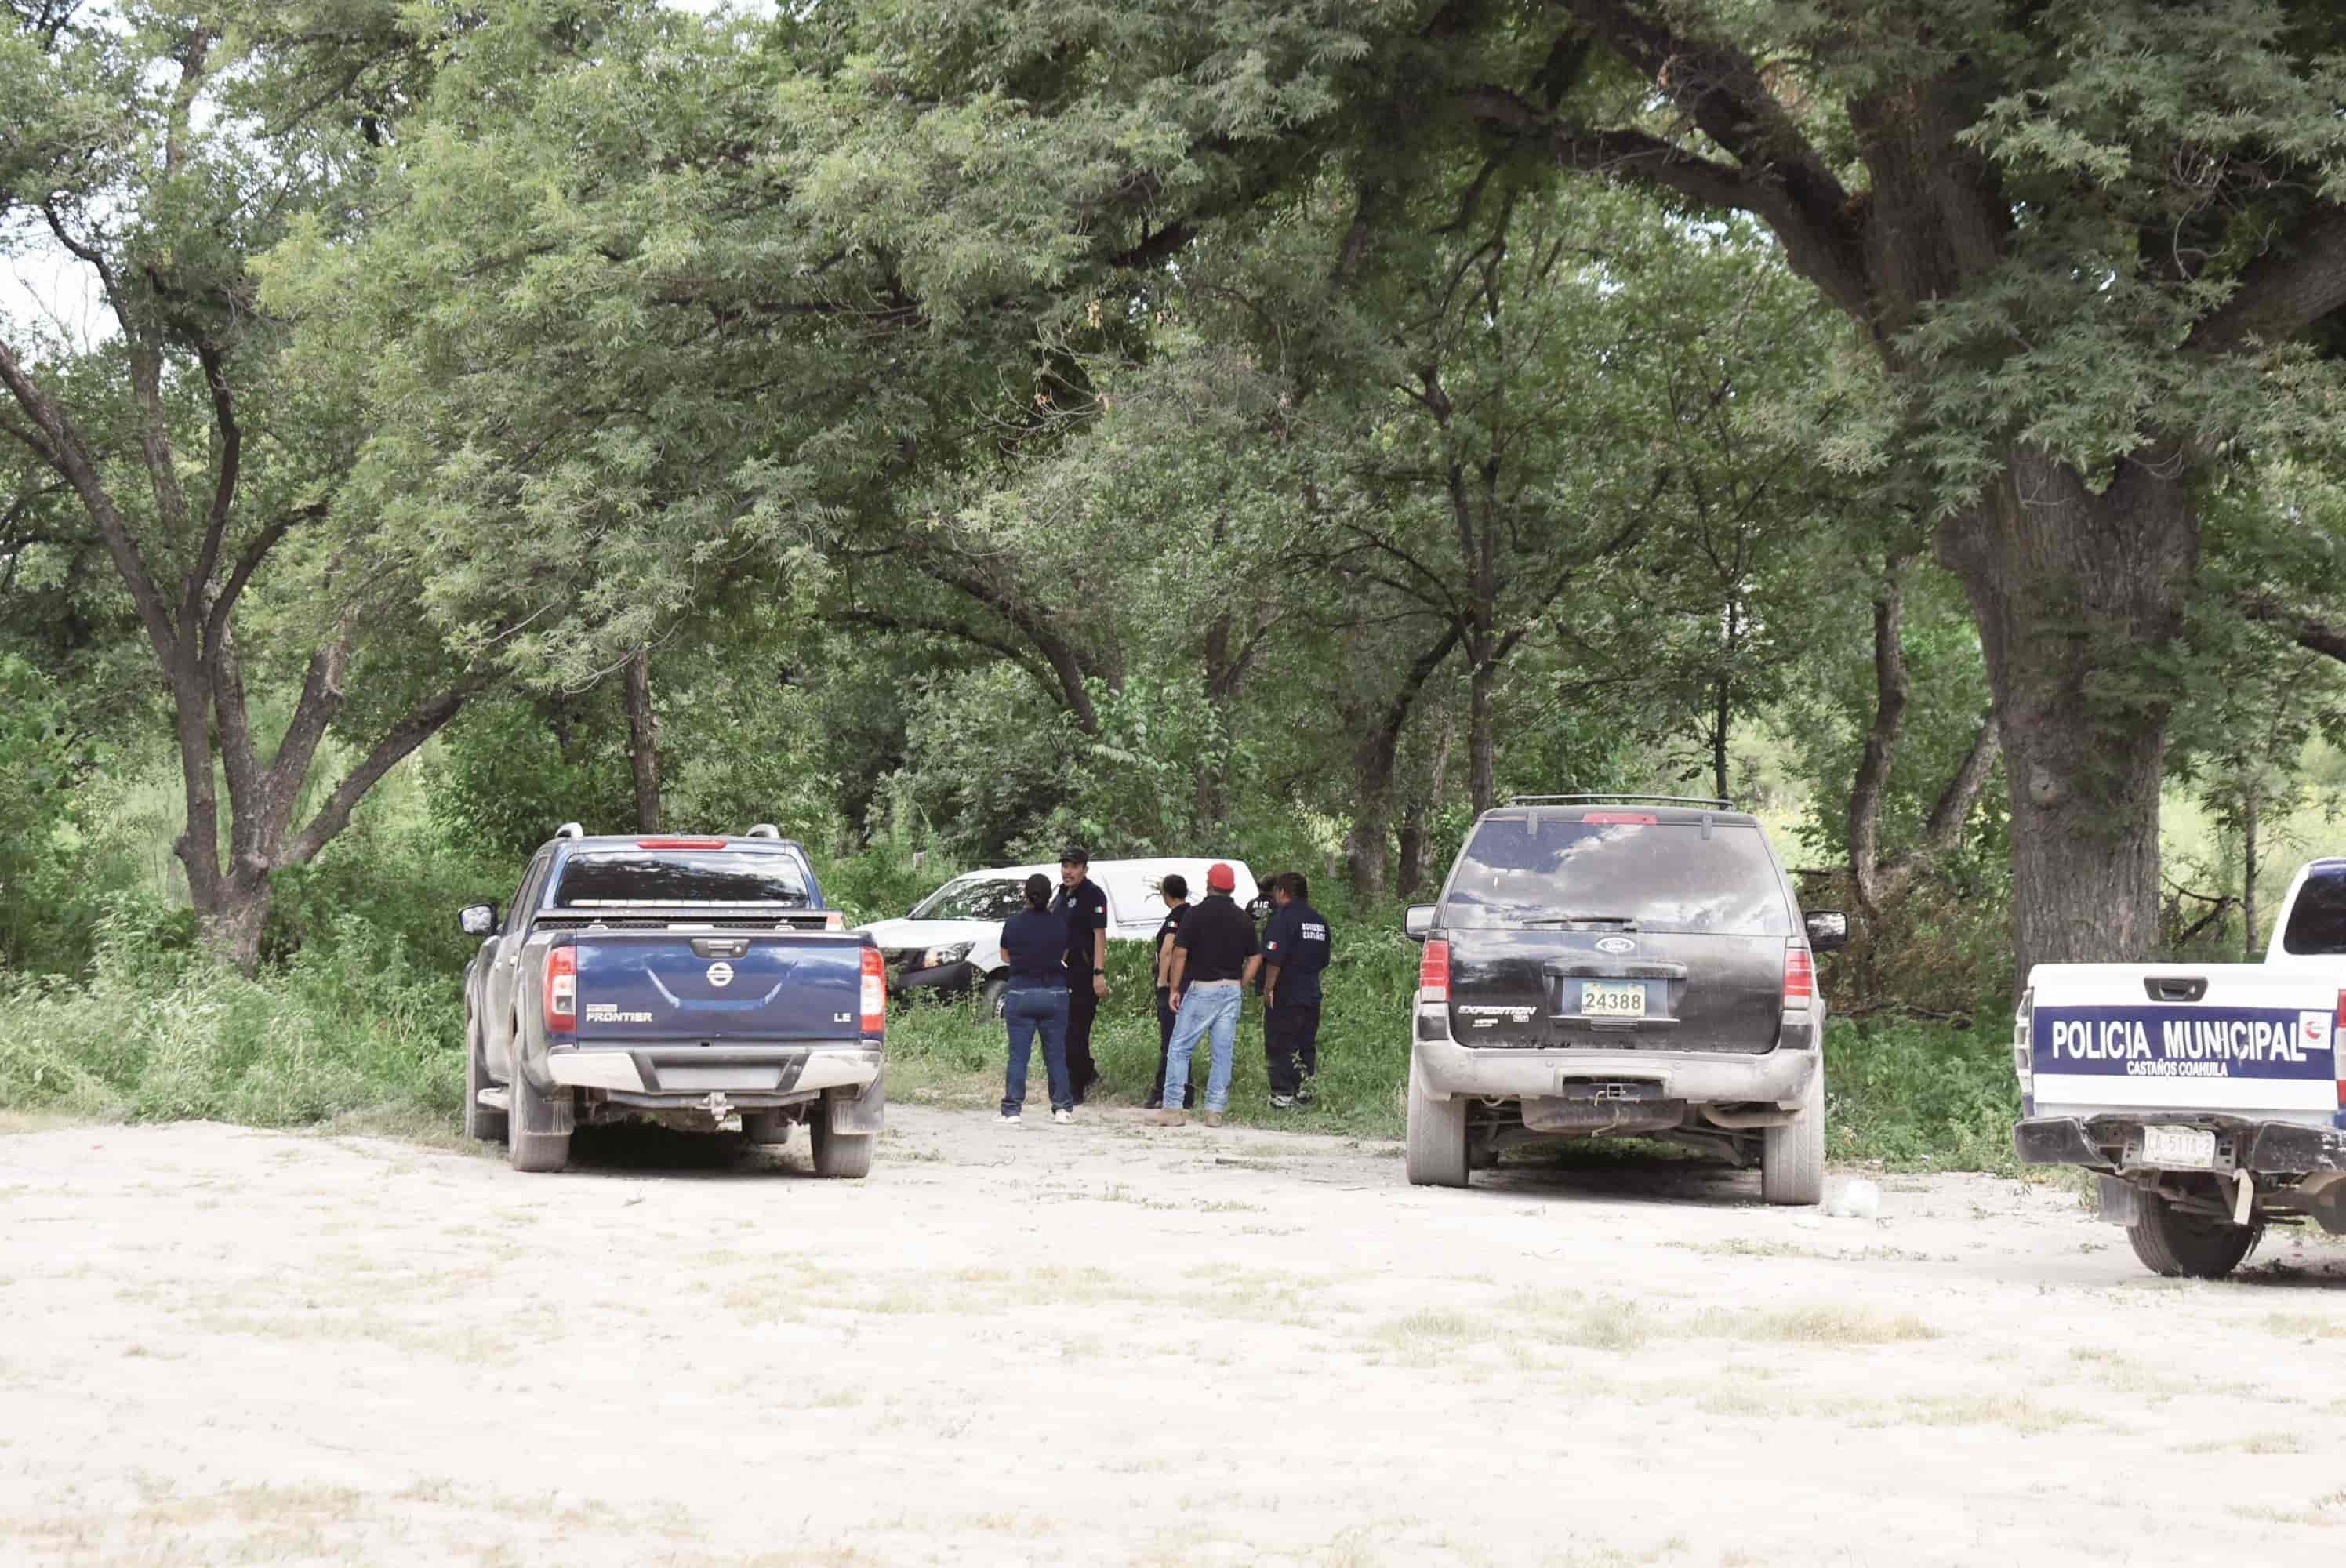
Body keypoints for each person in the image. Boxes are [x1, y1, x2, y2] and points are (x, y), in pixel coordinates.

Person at [1152, 862, 1258, 1128]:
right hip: (1230, 990)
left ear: (1209, 886)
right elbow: (1256, 956)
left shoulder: (1195, 915)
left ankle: (1174, 1109)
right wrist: (1242, 982)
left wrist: (1175, 988)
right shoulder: (1243, 918)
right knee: (1222, 1052)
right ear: (1231, 888)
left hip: (1202, 989)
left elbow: (1179, 953)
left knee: (1179, 1047)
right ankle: (1214, 1111)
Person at [997, 873, 1075, 1125]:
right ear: (1049, 895)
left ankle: (1012, 1111)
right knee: (1057, 1054)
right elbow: (1064, 953)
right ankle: (1062, 1109)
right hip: (1055, 993)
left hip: (1020, 992)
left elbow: (1005, 956)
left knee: (1018, 1055)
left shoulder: (1012, 924)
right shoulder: (1060, 923)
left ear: (1025, 895)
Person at [1260, 871, 1333, 1109]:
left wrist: (1268, 988)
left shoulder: (1282, 918)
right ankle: (1304, 1091)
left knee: (1281, 1041)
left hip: (1286, 991)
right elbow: (1323, 960)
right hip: (1311, 991)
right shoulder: (1319, 921)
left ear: (1282, 892)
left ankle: (1282, 1094)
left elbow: (1274, 958)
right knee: (1306, 1041)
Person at [1050, 845, 1110, 1103]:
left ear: (1084, 869)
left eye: (1073, 866)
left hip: (1085, 971)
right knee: (1067, 1028)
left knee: (1076, 1030)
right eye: (1065, 866)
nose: (1068, 871)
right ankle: (1088, 1074)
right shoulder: (1061, 893)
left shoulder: (1094, 895)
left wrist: (1099, 973)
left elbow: (1099, 936)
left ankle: (1075, 1088)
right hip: (1062, 972)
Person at [1148, 873, 1195, 1111]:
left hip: (1173, 987)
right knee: (1183, 1041)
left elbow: (1168, 950)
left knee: (1170, 1040)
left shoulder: (1176, 917)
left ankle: (1164, 1093)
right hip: (1192, 985)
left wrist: (1163, 981)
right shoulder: (1194, 913)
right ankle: (1186, 1092)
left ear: (1165, 894)